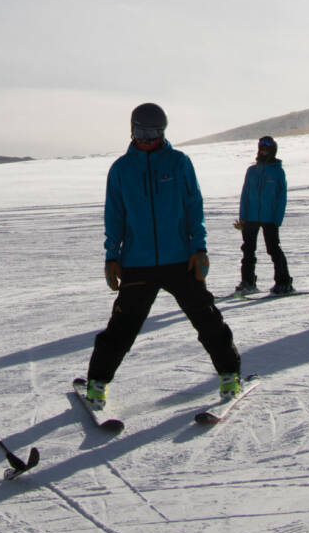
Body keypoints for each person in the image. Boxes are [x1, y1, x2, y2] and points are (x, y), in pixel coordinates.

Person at [84, 102, 242, 405]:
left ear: (163, 131)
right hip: (138, 263)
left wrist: (200, 248)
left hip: (180, 259)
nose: (146, 138)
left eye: (153, 131)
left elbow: (193, 206)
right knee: (122, 327)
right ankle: (97, 382)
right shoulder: (121, 169)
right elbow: (114, 216)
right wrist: (111, 256)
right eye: (141, 131)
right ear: (131, 130)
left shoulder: (179, 163)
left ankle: (229, 374)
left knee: (207, 319)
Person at [234, 136, 293, 294]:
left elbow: (282, 197)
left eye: (267, 147)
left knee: (273, 249)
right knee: (248, 250)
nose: (263, 150)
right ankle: (248, 282)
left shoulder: (278, 172)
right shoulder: (251, 171)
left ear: (273, 149)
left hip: (270, 218)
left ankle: (284, 282)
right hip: (250, 217)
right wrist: (243, 218)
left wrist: (277, 219)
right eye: (261, 147)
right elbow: (245, 195)